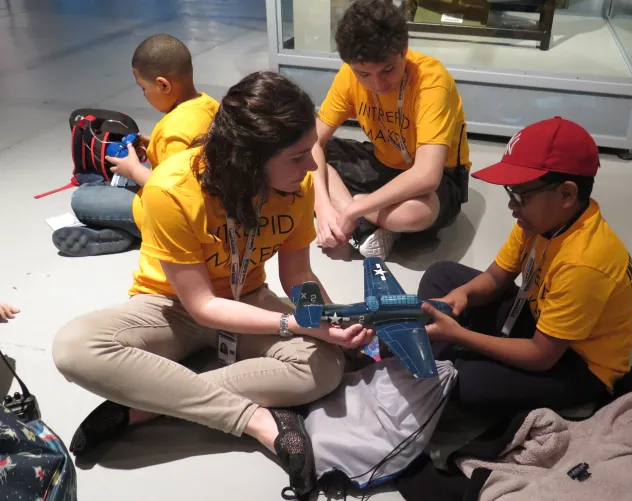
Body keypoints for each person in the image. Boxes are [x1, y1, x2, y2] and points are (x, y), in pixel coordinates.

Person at [52, 72, 373, 496]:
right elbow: (201, 305)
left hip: (249, 299)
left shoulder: (300, 186)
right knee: (75, 348)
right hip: (170, 306)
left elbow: (298, 275)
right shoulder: (170, 190)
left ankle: (143, 407)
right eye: (297, 157)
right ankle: (259, 420)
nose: (313, 166)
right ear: (251, 158)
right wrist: (294, 326)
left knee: (325, 366)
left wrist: (327, 317)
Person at [418, 117, 632, 414]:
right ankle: (436, 354)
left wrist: (459, 335)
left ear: (566, 194)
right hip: (539, 318)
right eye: (510, 193)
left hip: (576, 362)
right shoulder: (539, 220)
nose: (512, 205)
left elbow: (541, 356)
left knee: (463, 382)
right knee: (442, 275)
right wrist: (464, 295)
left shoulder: (585, 263)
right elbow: (497, 277)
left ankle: (436, 356)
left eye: (520, 195)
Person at [313, 0, 471, 260]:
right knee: (298, 157)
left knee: (416, 213)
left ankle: (357, 214)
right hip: (383, 161)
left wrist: (353, 210)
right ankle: (369, 226)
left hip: (441, 176)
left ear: (404, 51)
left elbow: (427, 175)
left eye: (388, 70)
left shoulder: (431, 81)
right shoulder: (348, 75)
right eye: (364, 74)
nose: (377, 83)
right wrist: (322, 206)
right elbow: (312, 143)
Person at [52, 34, 219, 257]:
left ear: (163, 85)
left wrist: (134, 170)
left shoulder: (175, 130)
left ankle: (137, 231)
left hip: (187, 218)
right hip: (209, 201)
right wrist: (154, 144)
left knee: (83, 198)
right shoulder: (208, 104)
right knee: (112, 185)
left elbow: (177, 196)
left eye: (143, 88)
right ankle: (128, 232)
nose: (144, 95)